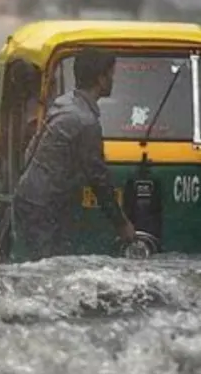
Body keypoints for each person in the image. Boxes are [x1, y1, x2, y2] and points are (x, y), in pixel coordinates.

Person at [12, 48, 137, 260]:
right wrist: (122, 224)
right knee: (45, 268)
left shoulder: (64, 103)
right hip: (43, 207)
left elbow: (30, 151)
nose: (113, 80)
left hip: (29, 196)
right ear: (101, 78)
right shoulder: (85, 122)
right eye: (112, 74)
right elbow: (99, 179)